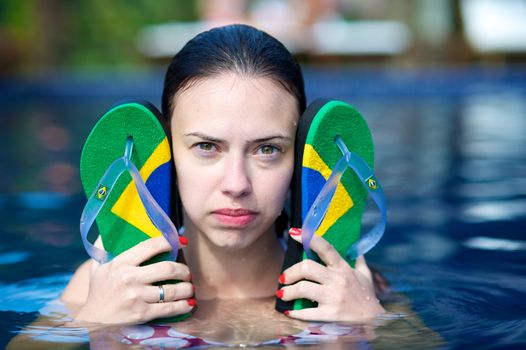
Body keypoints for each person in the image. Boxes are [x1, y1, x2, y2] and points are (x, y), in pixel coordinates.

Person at [61, 24, 385, 325]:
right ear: (165, 155)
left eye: (267, 149)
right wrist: (95, 322)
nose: (236, 184)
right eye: (206, 146)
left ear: (301, 159)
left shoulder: (355, 289)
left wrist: (369, 321)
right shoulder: (97, 286)